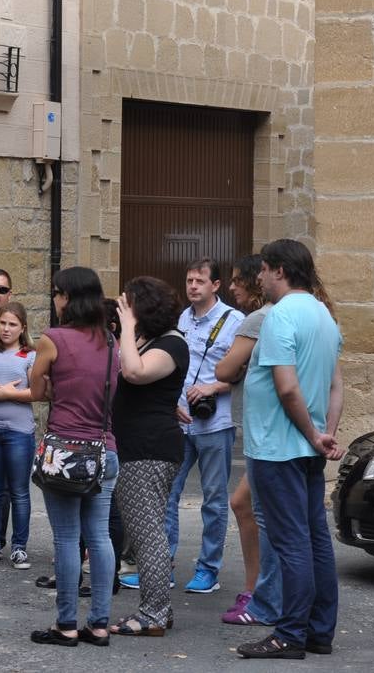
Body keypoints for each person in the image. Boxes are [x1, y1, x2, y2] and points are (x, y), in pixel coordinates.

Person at [236, 239, 344, 660]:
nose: (259, 277)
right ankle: (318, 631)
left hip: (277, 448)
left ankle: (290, 635)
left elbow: (285, 386)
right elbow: (336, 385)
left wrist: (314, 434)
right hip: (306, 447)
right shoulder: (323, 315)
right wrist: (324, 433)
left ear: (279, 270)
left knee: (292, 543)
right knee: (315, 539)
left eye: (262, 269)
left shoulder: (280, 317)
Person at [27, 267, 120, 647]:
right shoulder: (111, 340)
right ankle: (99, 624)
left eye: (56, 293)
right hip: (104, 448)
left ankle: (66, 624)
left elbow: (35, 389)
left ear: (66, 297)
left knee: (67, 539)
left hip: (64, 451)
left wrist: (53, 386)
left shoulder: (53, 339)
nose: (55, 299)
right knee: (99, 536)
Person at [108, 277, 188, 637]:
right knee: (144, 532)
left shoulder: (172, 343)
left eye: (130, 303)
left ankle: (154, 614)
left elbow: (134, 372)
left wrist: (126, 327)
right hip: (138, 448)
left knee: (147, 534)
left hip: (150, 450)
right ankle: (158, 610)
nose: (124, 308)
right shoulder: (151, 341)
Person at [160, 259, 243, 596]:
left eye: (200, 281)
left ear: (216, 286)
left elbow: (245, 371)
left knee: (214, 500)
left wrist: (213, 388)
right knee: (167, 494)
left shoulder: (235, 322)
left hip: (215, 423)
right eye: (189, 280)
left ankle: (209, 569)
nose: (193, 286)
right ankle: (161, 564)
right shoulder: (181, 319)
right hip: (180, 423)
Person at [214, 255, 280, 627]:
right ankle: (258, 587)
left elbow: (224, 368)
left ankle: (261, 593)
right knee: (246, 506)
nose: (234, 287)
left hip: (268, 435)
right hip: (270, 432)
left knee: (258, 511)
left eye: (239, 281)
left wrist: (234, 366)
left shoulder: (259, 319)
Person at [0, 302, 36, 570]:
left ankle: (19, 547)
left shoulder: (30, 356)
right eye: (3, 323)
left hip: (19, 432)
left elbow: (38, 391)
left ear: (23, 328)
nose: (6, 329)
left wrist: (10, 394)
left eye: (12, 324)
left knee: (19, 491)